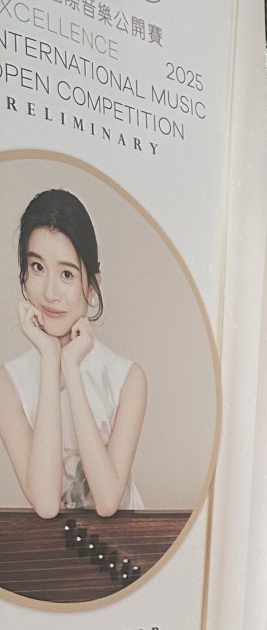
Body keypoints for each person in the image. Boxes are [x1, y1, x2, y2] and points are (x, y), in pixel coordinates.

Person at [1, 187, 146, 519]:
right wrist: (50, 358)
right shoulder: (8, 384)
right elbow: (46, 504)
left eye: (67, 274)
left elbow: (107, 501)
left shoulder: (127, 379)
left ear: (92, 286)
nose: (50, 292)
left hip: (124, 546)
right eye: (37, 267)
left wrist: (71, 368)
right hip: (61, 547)